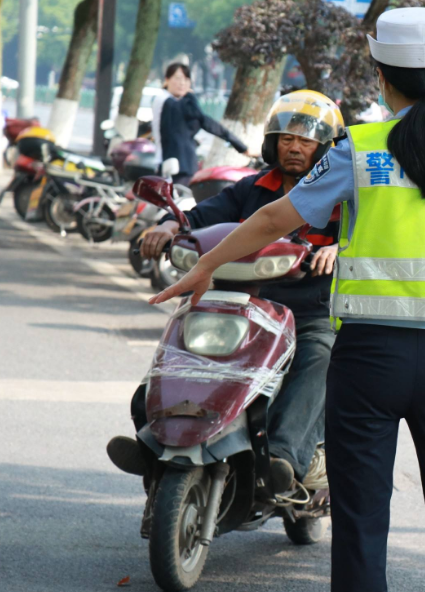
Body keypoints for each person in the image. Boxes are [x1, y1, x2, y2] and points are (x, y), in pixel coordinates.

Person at [146, 8, 425, 592]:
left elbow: (272, 216)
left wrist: (208, 264)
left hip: (368, 358)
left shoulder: (359, 150)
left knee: (363, 521)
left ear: (380, 75)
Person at [108, 89, 346, 494]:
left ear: (324, 148)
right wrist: (168, 227)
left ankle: (282, 459)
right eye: (286, 139)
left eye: (305, 141)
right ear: (273, 143)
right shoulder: (251, 189)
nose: (294, 148)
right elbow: (201, 215)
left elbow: (370, 236)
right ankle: (153, 441)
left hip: (309, 311)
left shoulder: (341, 195)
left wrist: (340, 248)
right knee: (178, 345)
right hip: (241, 305)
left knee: (320, 356)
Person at [151, 63, 250, 185]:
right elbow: (200, 116)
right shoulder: (166, 101)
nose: (182, 83)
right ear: (166, 80)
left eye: (186, 79)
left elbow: (206, 122)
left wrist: (240, 145)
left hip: (182, 166)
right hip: (175, 168)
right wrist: (190, 95)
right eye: (177, 78)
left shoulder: (178, 106)